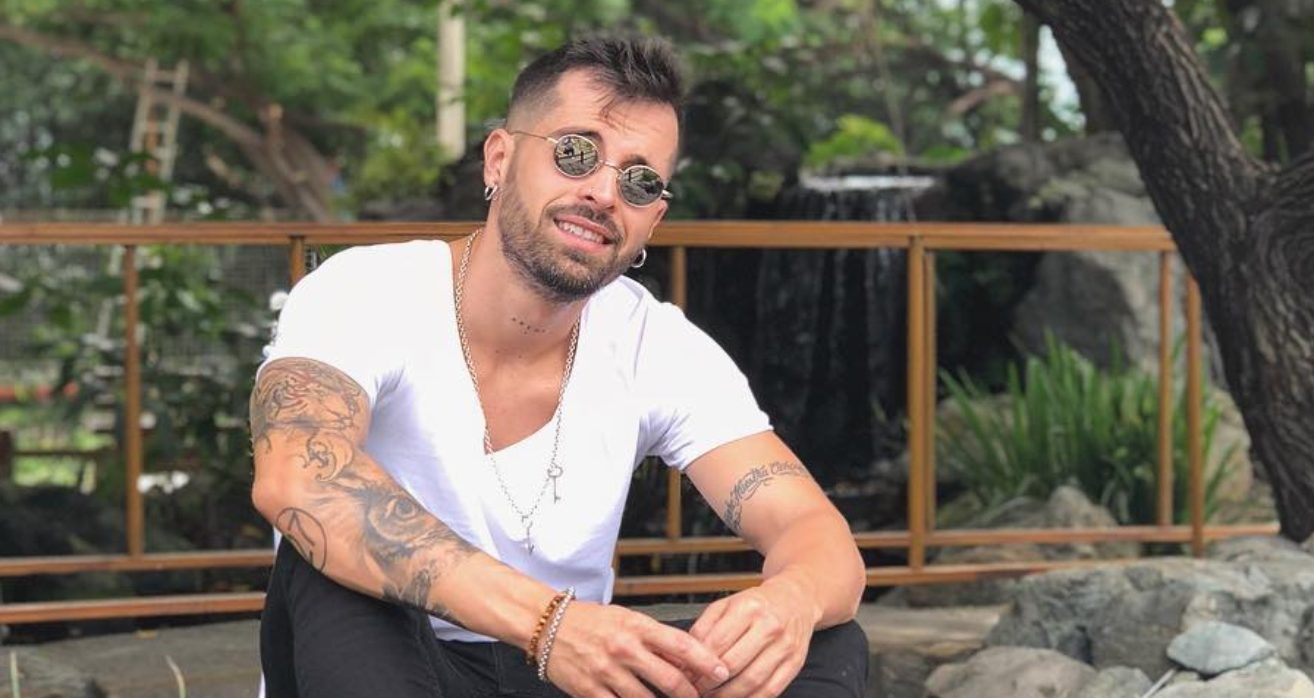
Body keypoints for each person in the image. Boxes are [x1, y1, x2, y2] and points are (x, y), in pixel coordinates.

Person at [249, 34, 868, 698]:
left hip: (566, 673)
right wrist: (549, 624)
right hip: (396, 660)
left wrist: (789, 603)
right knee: (326, 556)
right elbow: (296, 480)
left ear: (653, 219)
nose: (603, 193)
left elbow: (812, 530)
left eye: (639, 181)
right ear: (499, 158)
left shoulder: (655, 345)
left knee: (823, 641)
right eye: (575, 153)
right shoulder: (367, 291)